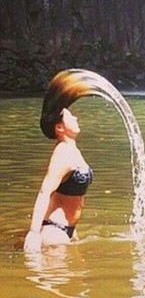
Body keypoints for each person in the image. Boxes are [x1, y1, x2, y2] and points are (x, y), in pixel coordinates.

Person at [24, 108, 93, 252]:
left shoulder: (72, 150)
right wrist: (34, 233)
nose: (76, 118)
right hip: (55, 231)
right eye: (70, 117)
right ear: (60, 127)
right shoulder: (62, 153)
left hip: (69, 230)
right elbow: (44, 192)